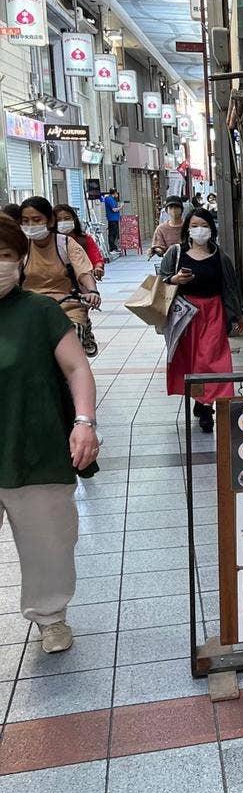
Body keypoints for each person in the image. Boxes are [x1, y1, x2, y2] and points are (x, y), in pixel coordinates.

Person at [0, 213, 100, 653]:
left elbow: (77, 368)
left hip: (34, 446)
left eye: (5, 255)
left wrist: (84, 423)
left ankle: (51, 616)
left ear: (20, 261)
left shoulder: (39, 311)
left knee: (49, 543)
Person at [159, 208, 243, 433]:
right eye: (195, 225)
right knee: (193, 363)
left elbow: (230, 287)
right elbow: (161, 281)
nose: (200, 230)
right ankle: (201, 401)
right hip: (185, 315)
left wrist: (237, 314)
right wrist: (175, 279)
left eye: (205, 226)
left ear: (212, 229)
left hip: (213, 312)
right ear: (187, 229)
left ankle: (209, 407)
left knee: (213, 360)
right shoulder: (176, 252)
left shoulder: (220, 256)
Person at [20, 197, 101, 358]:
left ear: (50, 221)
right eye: (25, 221)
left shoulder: (65, 243)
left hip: (67, 307)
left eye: (36, 220)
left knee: (70, 353)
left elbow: (84, 272)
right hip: (31, 311)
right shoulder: (21, 246)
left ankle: (83, 330)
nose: (31, 226)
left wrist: (93, 291)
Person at [54, 204, 105, 281]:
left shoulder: (85, 239)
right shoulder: (50, 241)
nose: (63, 222)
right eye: (59, 220)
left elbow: (96, 258)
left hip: (83, 282)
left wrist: (98, 267)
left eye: (67, 218)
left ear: (74, 219)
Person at [102, 188, 121, 253]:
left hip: (115, 218)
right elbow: (114, 209)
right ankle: (112, 248)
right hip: (112, 219)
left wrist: (119, 206)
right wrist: (121, 207)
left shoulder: (113, 199)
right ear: (115, 193)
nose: (117, 195)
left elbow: (115, 207)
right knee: (112, 234)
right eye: (116, 193)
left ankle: (115, 247)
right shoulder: (109, 199)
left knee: (115, 233)